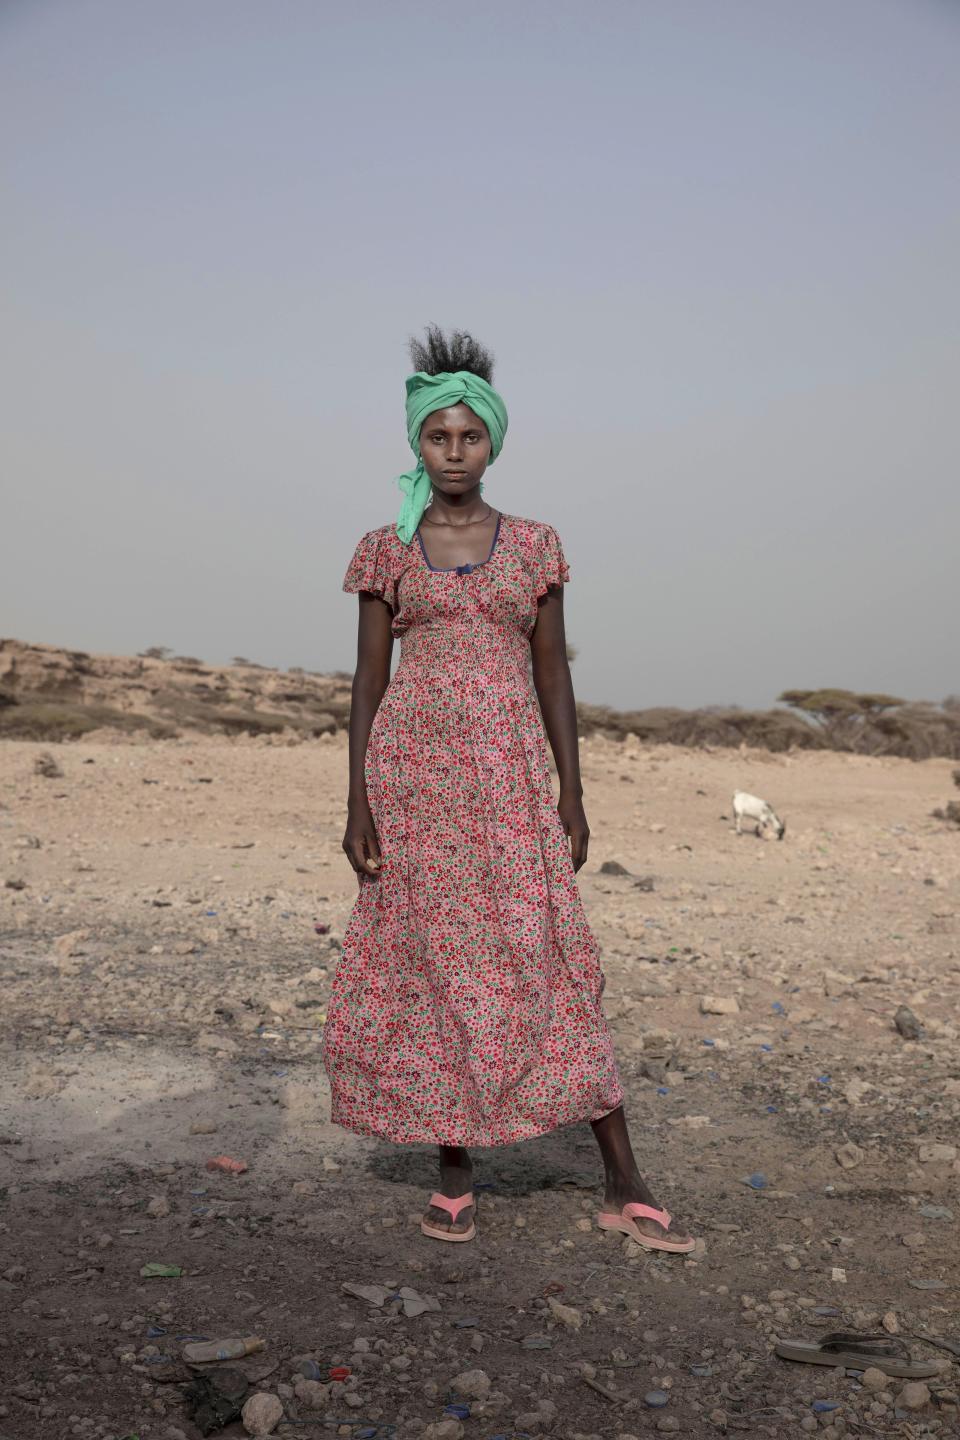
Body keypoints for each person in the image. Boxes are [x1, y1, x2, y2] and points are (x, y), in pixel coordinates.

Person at [322, 327, 693, 1254]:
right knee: (435, 965)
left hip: (513, 784)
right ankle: (455, 1169)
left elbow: (554, 675)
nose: (454, 453)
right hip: (416, 787)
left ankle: (623, 1176)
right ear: (416, 442)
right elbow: (368, 684)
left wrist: (573, 792)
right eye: (437, 437)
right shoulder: (387, 549)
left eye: (469, 437)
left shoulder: (535, 545)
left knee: (549, 955)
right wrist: (357, 803)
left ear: (494, 441)